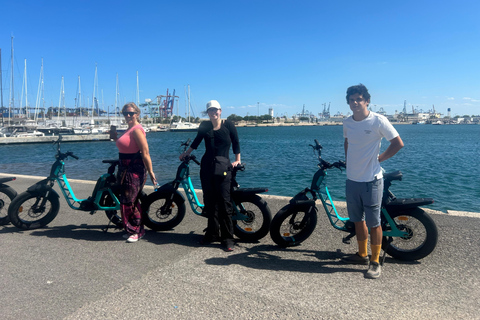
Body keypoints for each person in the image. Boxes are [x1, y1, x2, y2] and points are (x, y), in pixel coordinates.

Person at [342, 84, 404, 279]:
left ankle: (375, 261)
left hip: (371, 180)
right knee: (357, 220)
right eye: (352, 100)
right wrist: (349, 161)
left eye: (359, 99)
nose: (356, 103)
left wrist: (380, 158)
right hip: (352, 179)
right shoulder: (347, 122)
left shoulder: (378, 121)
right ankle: (362, 254)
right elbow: (347, 142)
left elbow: (397, 143)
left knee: (374, 222)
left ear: (367, 100)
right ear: (348, 103)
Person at [179, 100, 241, 252]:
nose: (213, 113)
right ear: (207, 113)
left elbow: (236, 143)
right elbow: (196, 142)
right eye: (210, 110)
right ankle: (212, 234)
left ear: (220, 110)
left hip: (224, 167)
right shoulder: (204, 126)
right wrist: (186, 153)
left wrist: (237, 160)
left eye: (216, 110)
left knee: (224, 202)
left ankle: (227, 238)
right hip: (207, 166)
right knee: (210, 201)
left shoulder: (229, 125)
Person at [110, 102, 157, 243]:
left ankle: (138, 230)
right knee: (126, 199)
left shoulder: (137, 129)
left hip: (134, 168)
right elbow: (125, 147)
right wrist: (114, 138)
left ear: (137, 114)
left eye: (131, 113)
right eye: (126, 113)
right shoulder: (128, 129)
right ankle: (131, 228)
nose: (128, 116)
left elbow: (146, 152)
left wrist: (151, 171)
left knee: (130, 200)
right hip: (124, 167)